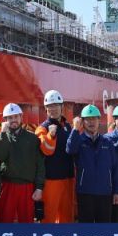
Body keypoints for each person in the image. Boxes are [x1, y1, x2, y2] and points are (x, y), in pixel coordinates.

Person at [0, 103, 45, 223]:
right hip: (7, 185)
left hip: (27, 187)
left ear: (21, 117)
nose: (13, 120)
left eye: (16, 116)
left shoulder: (32, 139)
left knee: (26, 222)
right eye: (10, 117)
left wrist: (39, 187)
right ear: (5, 120)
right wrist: (3, 135)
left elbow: (40, 165)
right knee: (4, 220)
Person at [67, 105, 118, 222]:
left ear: (99, 120)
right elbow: (70, 149)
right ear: (82, 122)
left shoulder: (107, 142)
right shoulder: (79, 141)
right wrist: (75, 129)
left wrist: (116, 191)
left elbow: (115, 168)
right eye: (88, 119)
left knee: (104, 228)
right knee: (86, 228)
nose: (91, 122)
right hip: (85, 192)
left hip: (105, 192)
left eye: (94, 118)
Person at [34, 90, 76, 223]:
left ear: (62, 106)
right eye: (50, 106)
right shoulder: (42, 129)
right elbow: (46, 150)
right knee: (49, 216)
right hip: (51, 180)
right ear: (45, 109)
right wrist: (51, 136)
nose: (53, 109)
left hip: (68, 178)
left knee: (67, 216)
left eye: (56, 105)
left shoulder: (68, 127)